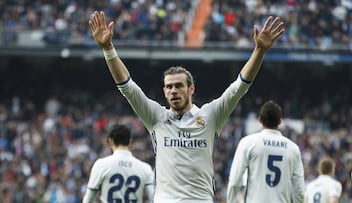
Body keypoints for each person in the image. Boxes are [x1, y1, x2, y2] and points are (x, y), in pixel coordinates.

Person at [89, 10, 285, 203]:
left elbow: (239, 87)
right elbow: (127, 87)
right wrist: (108, 49)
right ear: (164, 91)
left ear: (191, 89)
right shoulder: (156, 117)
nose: (174, 90)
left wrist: (259, 51)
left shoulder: (210, 115)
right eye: (169, 87)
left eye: (179, 86)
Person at [227, 100, 304, 203]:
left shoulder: (248, 142)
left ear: (260, 120)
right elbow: (299, 189)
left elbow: (235, 181)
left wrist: (230, 201)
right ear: (280, 121)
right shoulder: (293, 148)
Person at [82, 124, 154, 203]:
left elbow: (88, 199)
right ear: (130, 142)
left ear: (110, 141)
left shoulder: (101, 165)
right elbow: (153, 198)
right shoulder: (145, 168)